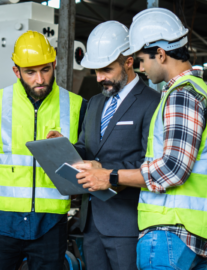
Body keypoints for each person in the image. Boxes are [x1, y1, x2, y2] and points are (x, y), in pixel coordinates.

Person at [74, 8, 207, 270]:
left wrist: (110, 176)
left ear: (161, 54)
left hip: (172, 229)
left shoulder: (179, 96)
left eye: (142, 59)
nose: (141, 66)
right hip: (182, 230)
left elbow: (172, 168)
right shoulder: (193, 92)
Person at [0, 30, 87, 270]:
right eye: (30, 72)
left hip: (51, 226)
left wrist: (68, 150)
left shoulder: (76, 106)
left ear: (54, 64)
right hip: (2, 225)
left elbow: (88, 162)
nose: (40, 79)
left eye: (45, 70)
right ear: (16, 71)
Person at [48, 21, 160, 270]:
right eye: (95, 71)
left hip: (126, 223)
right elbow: (85, 149)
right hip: (91, 222)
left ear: (129, 62)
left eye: (106, 70)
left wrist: (107, 174)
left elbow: (152, 163)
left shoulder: (152, 103)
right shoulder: (95, 103)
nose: (99, 78)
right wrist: (63, 147)